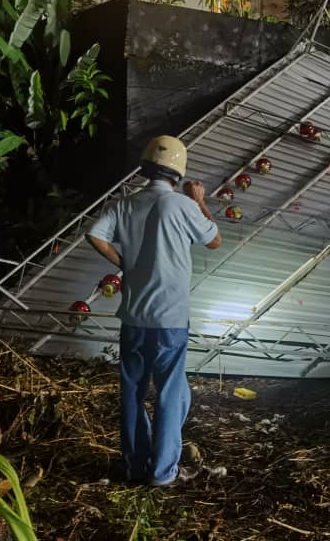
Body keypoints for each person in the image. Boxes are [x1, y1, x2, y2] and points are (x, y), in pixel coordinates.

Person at [86, 135, 222, 486]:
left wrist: (126, 265)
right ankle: (162, 473)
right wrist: (200, 201)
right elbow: (214, 239)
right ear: (178, 173)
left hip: (133, 317)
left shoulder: (125, 204)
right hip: (170, 320)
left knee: (132, 393)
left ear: (146, 167)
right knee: (169, 394)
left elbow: (94, 235)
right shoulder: (182, 205)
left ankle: (133, 466)